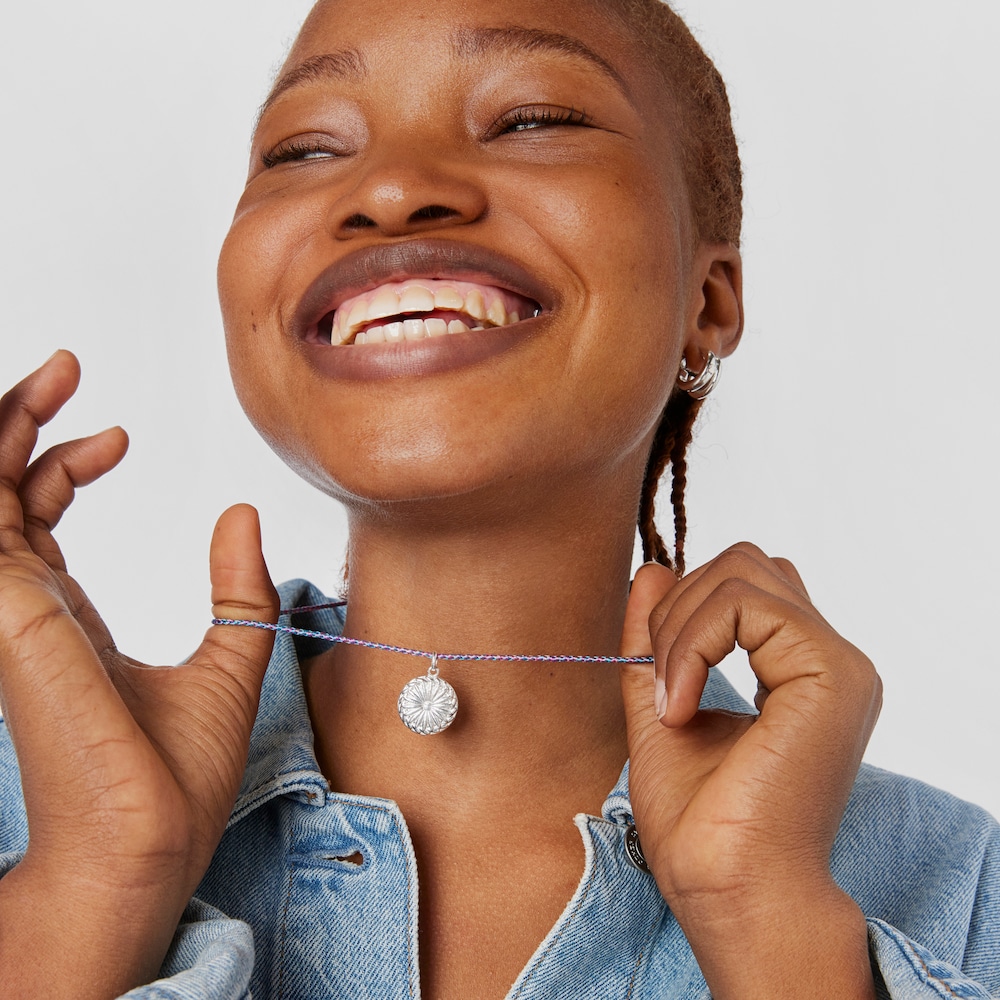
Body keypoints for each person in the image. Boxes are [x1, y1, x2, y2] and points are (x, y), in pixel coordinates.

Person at [0, 0, 997, 997]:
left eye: (533, 120)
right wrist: (92, 886)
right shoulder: (29, 824)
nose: (389, 188)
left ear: (709, 300)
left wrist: (771, 928)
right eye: (304, 148)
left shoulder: (959, 889)